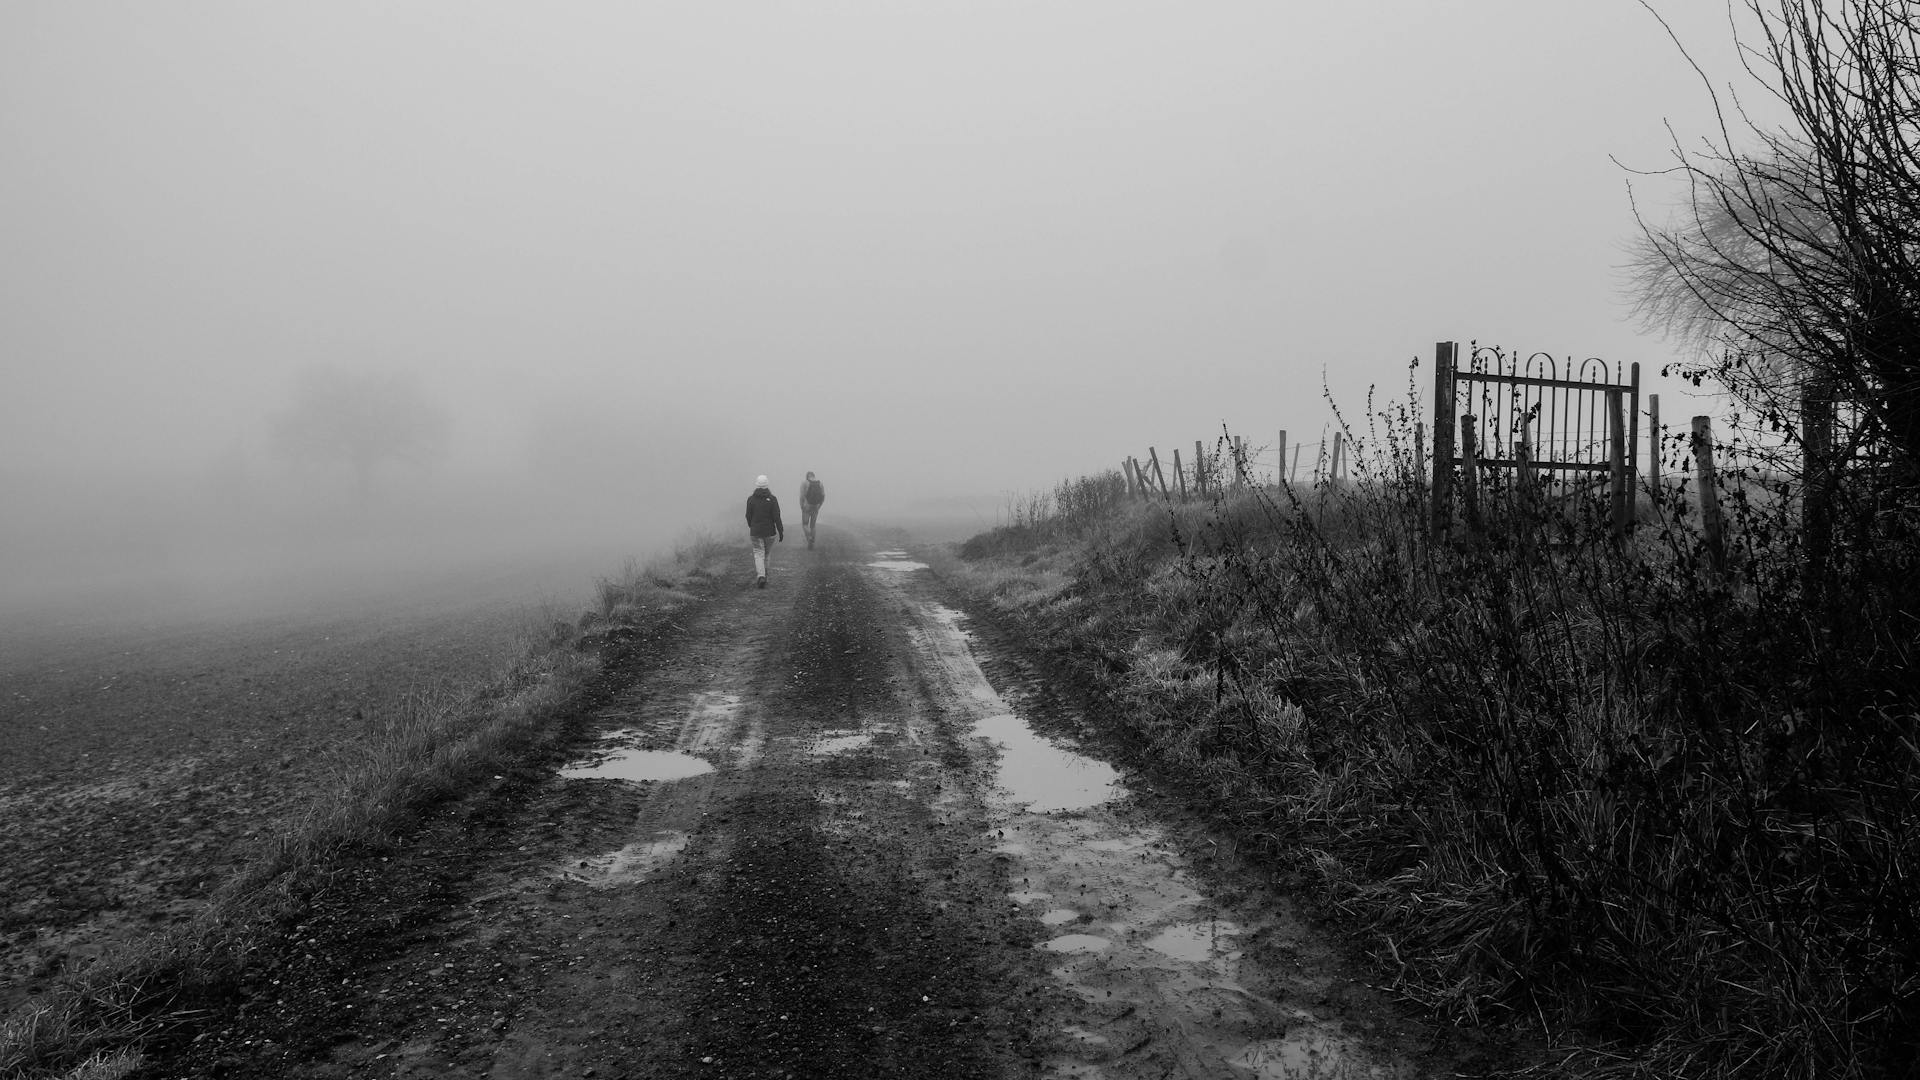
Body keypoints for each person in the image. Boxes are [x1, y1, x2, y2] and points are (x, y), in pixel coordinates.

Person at [744, 475, 783, 589]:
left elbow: (748, 516)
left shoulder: (751, 499)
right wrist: (780, 531)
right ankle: (765, 576)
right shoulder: (772, 499)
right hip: (770, 533)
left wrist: (752, 526)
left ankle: (761, 576)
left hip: (755, 532)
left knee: (758, 553)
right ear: (767, 485)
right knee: (766, 554)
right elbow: (777, 517)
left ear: (756, 485)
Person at [798, 471, 826, 548]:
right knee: (813, 525)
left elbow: (802, 496)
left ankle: (809, 538)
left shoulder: (805, 483)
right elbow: (823, 496)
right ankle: (812, 541)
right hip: (816, 506)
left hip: (807, 505)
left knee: (805, 524)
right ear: (814, 476)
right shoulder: (820, 483)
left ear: (807, 476)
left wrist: (802, 506)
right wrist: (819, 506)